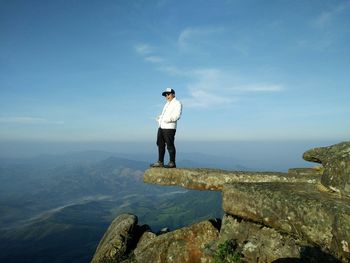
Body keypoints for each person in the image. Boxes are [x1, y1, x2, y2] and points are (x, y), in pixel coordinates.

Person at [150, 88, 182, 168]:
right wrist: (160, 118)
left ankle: (172, 162)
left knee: (170, 145)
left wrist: (167, 120)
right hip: (161, 127)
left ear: (173, 94)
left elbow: (177, 115)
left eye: (168, 94)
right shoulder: (167, 104)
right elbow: (164, 115)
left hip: (169, 128)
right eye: (166, 95)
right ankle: (160, 162)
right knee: (160, 144)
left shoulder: (177, 103)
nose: (167, 96)